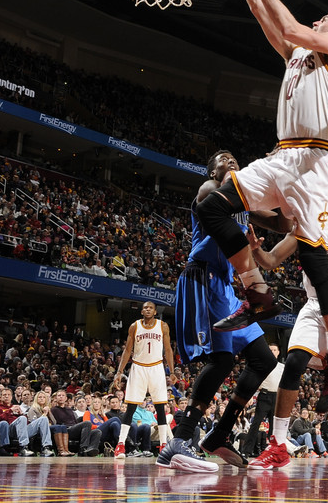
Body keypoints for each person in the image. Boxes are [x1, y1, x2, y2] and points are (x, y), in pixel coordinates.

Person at [193, 0, 328, 414]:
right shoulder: (297, 58)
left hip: (317, 162)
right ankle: (258, 292)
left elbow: (287, 23)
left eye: (324, 18)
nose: (319, 20)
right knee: (212, 206)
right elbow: (269, 20)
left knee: (313, 256)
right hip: (282, 156)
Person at [160, 148, 279, 473]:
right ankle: (181, 440)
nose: (231, 162)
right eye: (223, 159)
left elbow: (282, 221)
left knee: (264, 359)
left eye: (235, 160)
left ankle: (218, 435)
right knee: (222, 359)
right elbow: (213, 200)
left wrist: (280, 175)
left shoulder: (243, 202)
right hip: (203, 278)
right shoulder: (209, 191)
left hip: (226, 288)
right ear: (212, 171)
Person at [247, 200, 328, 472]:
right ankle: (278, 445)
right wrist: (256, 250)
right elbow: (272, 260)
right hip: (317, 302)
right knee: (294, 361)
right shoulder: (305, 219)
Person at [112, 301, 174, 459]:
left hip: (156, 367)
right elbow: (127, 350)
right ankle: (120, 445)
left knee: (160, 407)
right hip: (138, 367)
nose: (147, 309)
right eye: (145, 307)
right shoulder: (134, 326)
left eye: (150, 308)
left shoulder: (162, 326)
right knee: (131, 406)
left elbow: (168, 349)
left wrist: (172, 371)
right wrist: (119, 371)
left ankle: (163, 445)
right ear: (141, 312)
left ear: (155, 312)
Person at [241, 344, 282, 457]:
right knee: (256, 423)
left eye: (275, 350)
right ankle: (246, 451)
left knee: (274, 426)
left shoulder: (282, 367)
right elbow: (254, 381)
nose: (273, 351)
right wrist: (249, 396)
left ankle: (274, 452)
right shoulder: (262, 364)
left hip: (277, 397)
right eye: (270, 350)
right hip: (264, 395)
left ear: (278, 352)